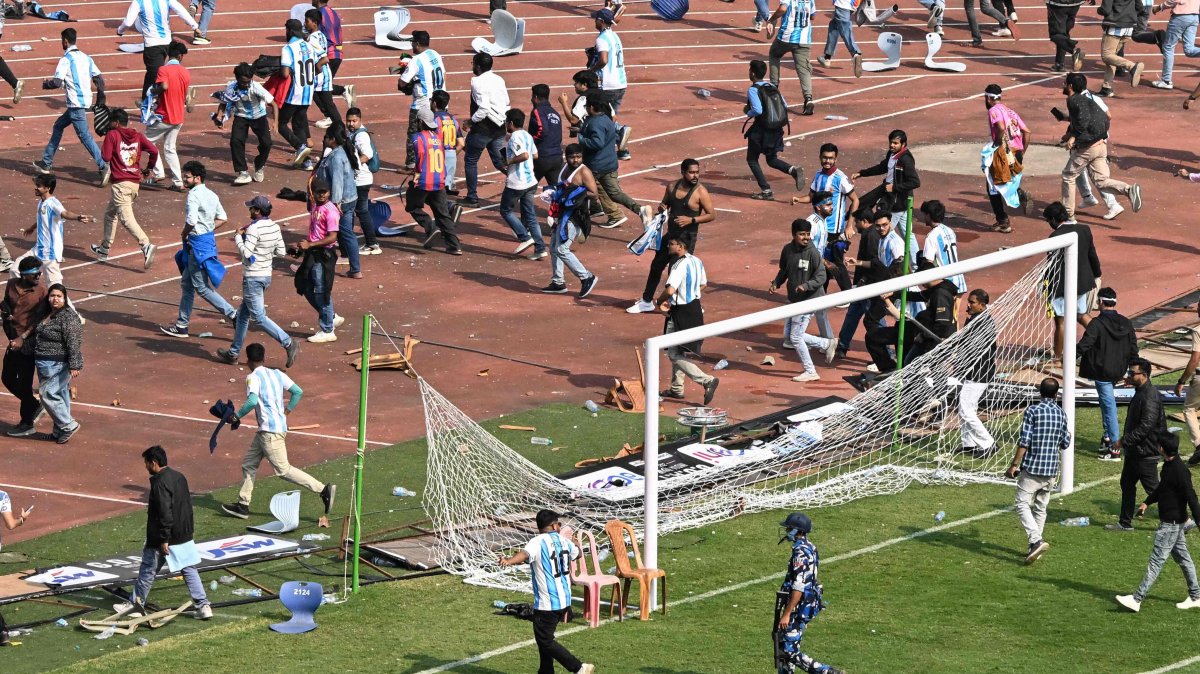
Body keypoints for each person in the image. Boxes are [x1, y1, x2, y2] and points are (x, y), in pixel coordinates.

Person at [220, 343, 335, 519]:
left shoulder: (253, 377)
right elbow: (297, 392)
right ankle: (243, 504)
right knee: (249, 464)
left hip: (269, 433)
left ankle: (322, 489)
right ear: (264, 358)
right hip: (271, 430)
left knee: (283, 470)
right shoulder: (277, 374)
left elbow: (252, 401)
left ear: (248, 360)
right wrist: (287, 411)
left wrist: (237, 416)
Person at [113, 446, 212, 620]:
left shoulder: (159, 482)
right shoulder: (179, 477)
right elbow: (186, 506)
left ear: (154, 463)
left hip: (163, 537)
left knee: (147, 569)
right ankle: (203, 605)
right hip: (184, 533)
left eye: (146, 463)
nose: (145, 467)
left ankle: (135, 605)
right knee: (189, 568)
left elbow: (165, 511)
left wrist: (164, 538)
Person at [497, 510, 595, 674]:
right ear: (553, 525)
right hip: (564, 600)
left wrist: (508, 561)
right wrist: (577, 543)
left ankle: (579, 667)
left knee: (545, 640)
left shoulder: (537, 542)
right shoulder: (564, 541)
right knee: (543, 637)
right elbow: (577, 554)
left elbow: (524, 554)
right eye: (559, 524)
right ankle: (546, 671)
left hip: (547, 603)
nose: (559, 527)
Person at [1116, 431, 1200, 612]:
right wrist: (1147, 502)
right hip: (1174, 524)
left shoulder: (1179, 471)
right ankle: (1196, 596)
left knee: (1156, 562)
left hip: (1170, 525)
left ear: (1161, 448)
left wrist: (1198, 521)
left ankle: (1137, 599)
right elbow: (1163, 488)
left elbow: (1191, 497)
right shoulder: (1170, 466)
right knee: (1184, 559)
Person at [218, 196, 298, 367]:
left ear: (258, 211)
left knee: (259, 317)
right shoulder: (275, 227)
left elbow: (247, 255)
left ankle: (288, 343)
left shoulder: (254, 229)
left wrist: (239, 237)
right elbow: (281, 252)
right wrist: (264, 252)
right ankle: (233, 353)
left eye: (252, 208)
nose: (249, 211)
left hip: (253, 277)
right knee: (243, 315)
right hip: (266, 276)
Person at [160, 161, 237, 338]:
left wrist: (184, 234)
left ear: (197, 178)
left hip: (197, 244)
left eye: (187, 176)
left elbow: (192, 221)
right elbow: (223, 218)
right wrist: (207, 228)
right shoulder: (211, 194)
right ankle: (182, 325)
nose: (184, 179)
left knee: (201, 287)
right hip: (207, 240)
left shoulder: (193, 196)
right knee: (187, 284)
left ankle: (233, 314)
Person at [627, 158, 714, 313]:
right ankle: (647, 301)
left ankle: (691, 304)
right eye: (691, 172)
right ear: (683, 172)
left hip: (686, 239)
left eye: (697, 172)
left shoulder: (700, 192)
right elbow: (664, 204)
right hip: (671, 236)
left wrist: (692, 219)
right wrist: (661, 207)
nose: (695, 176)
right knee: (656, 266)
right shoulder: (672, 186)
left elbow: (711, 215)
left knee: (676, 273)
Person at [1058, 74, 1143, 218]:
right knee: (1101, 181)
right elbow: (1101, 117)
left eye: (1065, 83)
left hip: (1087, 148)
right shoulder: (1088, 98)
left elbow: (1083, 121)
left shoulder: (1073, 100)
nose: (1063, 85)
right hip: (1101, 145)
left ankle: (1068, 216)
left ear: (1070, 86)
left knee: (1068, 176)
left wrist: (1072, 137)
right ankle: (1128, 190)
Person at [1006, 378, 1070, 564]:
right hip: (1051, 469)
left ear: (1040, 392)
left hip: (1033, 468)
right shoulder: (1061, 414)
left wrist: (1014, 465)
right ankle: (1034, 547)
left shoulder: (1033, 411)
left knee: (1021, 503)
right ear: (1056, 394)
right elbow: (1065, 443)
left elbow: (1024, 441)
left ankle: (1035, 540)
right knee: (1041, 508)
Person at [33, 29, 108, 182]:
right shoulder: (86, 58)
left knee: (85, 136)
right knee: (58, 126)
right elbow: (99, 79)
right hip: (83, 102)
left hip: (76, 104)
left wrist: (45, 85)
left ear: (65, 41)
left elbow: (57, 82)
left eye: (62, 40)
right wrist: (101, 96)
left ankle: (103, 165)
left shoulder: (66, 59)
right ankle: (46, 163)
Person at [775, 512, 843, 674]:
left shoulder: (800, 552)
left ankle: (826, 672)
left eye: (789, 528)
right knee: (783, 648)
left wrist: (787, 612)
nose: (786, 531)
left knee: (788, 650)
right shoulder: (810, 547)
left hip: (798, 607)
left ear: (795, 530)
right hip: (807, 604)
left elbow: (798, 586)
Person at [771, 217, 837, 383]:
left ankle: (810, 370)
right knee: (789, 336)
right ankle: (826, 344)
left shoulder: (813, 253)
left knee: (795, 337)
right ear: (794, 235)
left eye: (808, 234)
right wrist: (776, 283)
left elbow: (821, 276)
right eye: (802, 234)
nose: (806, 237)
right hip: (795, 300)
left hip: (809, 300)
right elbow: (784, 270)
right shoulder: (787, 250)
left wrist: (806, 286)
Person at [92, 108, 158, 268]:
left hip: (121, 183)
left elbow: (106, 157)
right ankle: (104, 248)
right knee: (110, 215)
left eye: (110, 122)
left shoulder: (112, 135)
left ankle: (145, 244)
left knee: (126, 218)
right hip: (134, 183)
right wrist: (149, 168)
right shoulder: (138, 136)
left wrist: (109, 143)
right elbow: (154, 150)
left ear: (115, 122)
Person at [1107, 358, 1169, 531]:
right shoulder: (1141, 391)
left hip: (1145, 452)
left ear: (1144, 375)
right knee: (1127, 484)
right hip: (1136, 451)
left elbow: (1146, 426)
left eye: (1132, 373)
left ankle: (1183, 519)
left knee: (1154, 490)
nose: (1129, 376)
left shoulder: (1149, 396)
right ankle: (1125, 523)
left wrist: (1123, 441)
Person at [657, 237, 719, 405]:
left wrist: (658, 301)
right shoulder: (697, 261)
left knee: (673, 354)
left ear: (680, 246)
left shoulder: (678, 265)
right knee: (680, 350)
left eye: (671, 243)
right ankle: (677, 388)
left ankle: (706, 380)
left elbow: (670, 290)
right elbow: (703, 284)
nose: (668, 245)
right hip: (695, 309)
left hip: (680, 312)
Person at [1079, 287, 1139, 460]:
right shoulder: (1126, 323)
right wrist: (1131, 371)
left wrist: (1067, 357)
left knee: (1109, 407)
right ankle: (1107, 437)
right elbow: (1134, 348)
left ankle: (1114, 447)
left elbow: (1085, 344)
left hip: (1101, 372)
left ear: (1100, 302)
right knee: (1107, 405)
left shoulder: (1096, 324)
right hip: (1118, 370)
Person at [1041, 202, 1101, 363]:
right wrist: (1097, 275)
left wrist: (1045, 285)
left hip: (1061, 285)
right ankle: (1103, 338)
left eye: (1048, 221)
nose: (1049, 224)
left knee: (1060, 321)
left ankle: (1057, 357)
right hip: (1082, 282)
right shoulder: (1084, 229)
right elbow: (1092, 254)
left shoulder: (1055, 237)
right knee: (1081, 314)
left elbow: (1052, 266)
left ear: (1054, 219)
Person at [580, 95, 647, 228]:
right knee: (615, 193)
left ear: (592, 108)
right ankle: (639, 209)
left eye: (586, 106)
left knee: (578, 188)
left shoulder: (595, 122)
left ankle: (575, 220)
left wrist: (581, 138)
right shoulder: (605, 119)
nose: (586, 109)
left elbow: (597, 143)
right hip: (609, 164)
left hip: (595, 165)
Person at [542, 144, 598, 297]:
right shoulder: (564, 167)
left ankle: (587, 277)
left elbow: (594, 193)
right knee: (553, 247)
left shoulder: (584, 171)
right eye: (572, 157)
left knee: (562, 249)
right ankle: (558, 282)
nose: (576, 160)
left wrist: (574, 192)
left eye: (578, 157)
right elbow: (562, 186)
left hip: (575, 216)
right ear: (566, 157)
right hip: (561, 213)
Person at [19, 174, 93, 289]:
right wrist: (32, 228)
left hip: (50, 254)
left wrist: (78, 217)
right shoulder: (41, 202)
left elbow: (65, 213)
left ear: (48, 188)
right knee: (16, 269)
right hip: (38, 249)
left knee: (55, 288)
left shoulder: (53, 203)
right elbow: (42, 219)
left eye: (39, 186)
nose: (36, 188)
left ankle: (67, 307)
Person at [745, 60, 804, 201]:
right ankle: (793, 170)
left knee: (752, 159)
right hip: (776, 130)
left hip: (761, 131)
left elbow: (757, 110)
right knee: (771, 159)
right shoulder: (771, 86)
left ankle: (766, 190)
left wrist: (748, 112)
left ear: (752, 73)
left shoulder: (753, 89)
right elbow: (784, 104)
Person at [117, 0, 198, 103]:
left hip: (153, 45)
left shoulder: (139, 2)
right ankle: (176, 96)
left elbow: (128, 22)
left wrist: (120, 31)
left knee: (154, 77)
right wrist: (194, 26)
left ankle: (148, 103)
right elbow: (180, 10)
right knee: (168, 72)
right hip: (168, 43)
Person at [2, 258, 48, 437]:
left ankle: (27, 422)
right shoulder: (12, 284)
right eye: (34, 274)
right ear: (23, 275)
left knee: (25, 382)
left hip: (28, 342)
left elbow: (38, 320)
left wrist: (22, 338)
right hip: (12, 339)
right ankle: (34, 405)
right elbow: (7, 303)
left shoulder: (41, 292)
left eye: (40, 273)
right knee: (7, 378)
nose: (39, 276)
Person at [32, 284, 82, 444]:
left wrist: (74, 364)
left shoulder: (68, 317)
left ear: (65, 298)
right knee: (60, 395)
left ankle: (68, 425)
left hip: (57, 363)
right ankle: (58, 431)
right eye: (52, 295)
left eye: (59, 296)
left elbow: (73, 342)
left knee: (46, 394)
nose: (55, 299)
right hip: (44, 362)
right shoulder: (48, 313)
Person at [294, 180, 342, 343]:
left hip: (323, 255)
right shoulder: (315, 206)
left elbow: (332, 236)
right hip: (312, 252)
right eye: (319, 192)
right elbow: (315, 231)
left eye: (325, 191)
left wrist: (311, 244)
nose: (322, 194)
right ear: (313, 193)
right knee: (304, 285)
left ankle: (327, 329)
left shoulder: (331, 211)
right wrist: (304, 246)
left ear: (329, 192)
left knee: (322, 290)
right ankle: (331, 316)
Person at [143, 40, 194, 191]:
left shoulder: (163, 70)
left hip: (165, 115)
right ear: (180, 56)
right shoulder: (185, 72)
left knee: (146, 141)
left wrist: (152, 92)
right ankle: (178, 182)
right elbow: (186, 96)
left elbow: (164, 86)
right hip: (178, 116)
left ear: (168, 54)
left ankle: (158, 173)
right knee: (170, 148)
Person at [460, 53, 509, 207]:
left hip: (482, 129)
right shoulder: (499, 79)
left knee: (470, 160)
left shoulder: (477, 82)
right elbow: (506, 102)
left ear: (478, 66)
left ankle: (472, 197)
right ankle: (522, 183)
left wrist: (470, 122)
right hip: (500, 127)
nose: (472, 66)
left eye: (473, 63)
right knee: (500, 161)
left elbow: (484, 108)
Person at [982, 85, 1031, 233]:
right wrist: (1022, 151)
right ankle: (1018, 194)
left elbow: (1001, 128)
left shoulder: (993, 110)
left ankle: (1003, 221)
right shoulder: (1010, 111)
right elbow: (1027, 131)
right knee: (1005, 181)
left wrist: (997, 143)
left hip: (1003, 151)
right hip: (1016, 151)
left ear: (989, 98)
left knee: (992, 185)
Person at [836, 209, 884, 358]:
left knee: (875, 318)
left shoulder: (870, 236)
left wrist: (863, 279)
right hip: (863, 284)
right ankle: (842, 345)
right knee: (853, 313)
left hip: (867, 284)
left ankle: (886, 351)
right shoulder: (870, 234)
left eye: (856, 222)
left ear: (864, 221)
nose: (855, 225)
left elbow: (873, 263)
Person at [409, 117, 461, 255]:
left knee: (412, 205)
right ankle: (455, 245)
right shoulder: (438, 137)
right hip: (439, 179)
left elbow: (420, 155)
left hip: (424, 180)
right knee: (442, 213)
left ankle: (431, 228)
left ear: (420, 122)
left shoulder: (417, 137)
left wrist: (417, 172)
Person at [218, 63, 276, 185]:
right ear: (237, 78)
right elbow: (223, 102)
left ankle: (259, 165)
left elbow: (274, 104)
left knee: (267, 143)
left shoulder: (256, 87)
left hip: (258, 117)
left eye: (248, 82)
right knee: (235, 141)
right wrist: (220, 116)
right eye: (243, 82)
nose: (245, 85)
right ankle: (243, 172)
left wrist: (275, 122)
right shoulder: (231, 87)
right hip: (241, 116)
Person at [314, 126, 361, 279]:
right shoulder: (343, 152)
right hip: (350, 198)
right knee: (347, 234)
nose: (324, 140)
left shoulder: (335, 157)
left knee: (323, 232)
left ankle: (315, 265)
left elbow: (337, 181)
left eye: (326, 137)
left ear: (332, 139)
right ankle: (355, 269)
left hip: (341, 201)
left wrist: (335, 204)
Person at [852, 130, 920, 235]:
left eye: (895, 143)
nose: (892, 145)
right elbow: (882, 167)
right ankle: (913, 252)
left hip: (897, 202)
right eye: (891, 142)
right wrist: (862, 173)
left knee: (884, 231)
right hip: (896, 200)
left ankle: (886, 250)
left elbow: (915, 182)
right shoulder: (891, 154)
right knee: (907, 236)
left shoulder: (906, 160)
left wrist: (894, 188)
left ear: (903, 144)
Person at [501, 109, 546, 260]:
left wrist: (509, 161)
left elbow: (525, 155)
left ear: (511, 123)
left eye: (506, 121)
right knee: (530, 215)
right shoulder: (527, 135)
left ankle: (524, 237)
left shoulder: (514, 138)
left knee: (505, 210)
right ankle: (540, 248)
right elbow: (535, 155)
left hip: (517, 182)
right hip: (531, 181)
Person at [958, 289, 997, 457]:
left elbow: (974, 347)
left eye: (972, 302)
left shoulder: (982, 323)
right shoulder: (975, 318)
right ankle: (969, 444)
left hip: (980, 371)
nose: (969, 304)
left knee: (965, 409)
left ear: (982, 305)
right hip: (973, 370)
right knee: (967, 407)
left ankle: (988, 442)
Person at [591, 8, 633, 160]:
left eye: (596, 19)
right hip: (621, 84)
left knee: (602, 116)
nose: (594, 21)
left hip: (608, 85)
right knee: (610, 116)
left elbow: (603, 59)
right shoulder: (615, 36)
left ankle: (620, 130)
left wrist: (592, 69)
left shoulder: (601, 39)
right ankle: (623, 150)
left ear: (601, 21)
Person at [398, 30, 443, 168]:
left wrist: (404, 74)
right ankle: (435, 160)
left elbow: (402, 83)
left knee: (414, 133)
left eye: (412, 42)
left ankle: (411, 165)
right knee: (435, 132)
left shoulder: (416, 60)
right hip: (439, 100)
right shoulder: (435, 54)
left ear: (417, 43)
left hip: (422, 103)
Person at [278, 19, 319, 169]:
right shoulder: (310, 46)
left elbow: (284, 73)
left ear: (289, 30)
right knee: (299, 124)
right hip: (308, 92)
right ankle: (306, 161)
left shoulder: (288, 48)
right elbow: (317, 66)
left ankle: (299, 147)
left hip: (295, 92)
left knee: (280, 124)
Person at [766, 0, 816, 116]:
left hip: (786, 37)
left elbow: (783, 8)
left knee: (774, 54)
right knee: (804, 70)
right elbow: (813, 16)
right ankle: (808, 99)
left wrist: (772, 19)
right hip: (804, 39)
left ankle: (774, 89)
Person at [0, 489, 34, 646]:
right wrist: (23, 519)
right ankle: (2, 632)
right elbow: (11, 525)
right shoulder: (2, 495)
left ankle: (2, 631)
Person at [345, 107, 380, 256]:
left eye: (354, 121)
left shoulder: (360, 136)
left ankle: (371, 244)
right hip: (361, 179)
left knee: (359, 211)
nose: (351, 123)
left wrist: (355, 166)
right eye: (349, 121)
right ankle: (369, 243)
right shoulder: (353, 133)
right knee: (359, 211)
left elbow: (368, 154)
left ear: (360, 120)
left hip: (361, 180)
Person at [1096, 0, 1148, 96]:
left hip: (1115, 26)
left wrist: (1099, 10)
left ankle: (1132, 67)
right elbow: (1140, 7)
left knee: (1106, 55)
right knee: (1112, 57)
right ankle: (1106, 88)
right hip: (1129, 27)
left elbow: (1105, 10)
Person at [303, 8, 341, 132]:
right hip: (323, 76)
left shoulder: (312, 39)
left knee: (329, 106)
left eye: (307, 21)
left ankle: (341, 130)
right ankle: (338, 127)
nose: (305, 23)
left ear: (314, 22)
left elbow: (324, 59)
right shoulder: (321, 35)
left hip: (321, 77)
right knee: (323, 101)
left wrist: (316, 69)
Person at [529, 84, 564, 186]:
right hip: (557, 157)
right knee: (556, 190)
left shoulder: (537, 111)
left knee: (527, 187)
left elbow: (542, 130)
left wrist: (530, 141)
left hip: (542, 157)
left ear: (535, 97)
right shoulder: (555, 113)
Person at [818, 0, 864, 75]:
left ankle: (855, 53)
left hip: (843, 4)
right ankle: (827, 57)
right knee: (834, 26)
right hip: (851, 4)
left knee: (845, 30)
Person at [1179, 304, 1200, 465]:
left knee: (1190, 409)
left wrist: (1181, 381)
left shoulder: (1198, 331)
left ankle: (1199, 445)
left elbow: (1194, 360)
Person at [432, 90, 463, 195]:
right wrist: (452, 154)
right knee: (446, 188)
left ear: (434, 103)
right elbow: (461, 143)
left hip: (437, 155)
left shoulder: (434, 119)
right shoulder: (453, 119)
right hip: (451, 153)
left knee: (435, 190)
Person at [1047, 0, 1087, 72]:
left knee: (1056, 34)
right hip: (1075, 4)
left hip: (1058, 4)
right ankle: (1059, 63)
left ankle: (1074, 50)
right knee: (1063, 33)